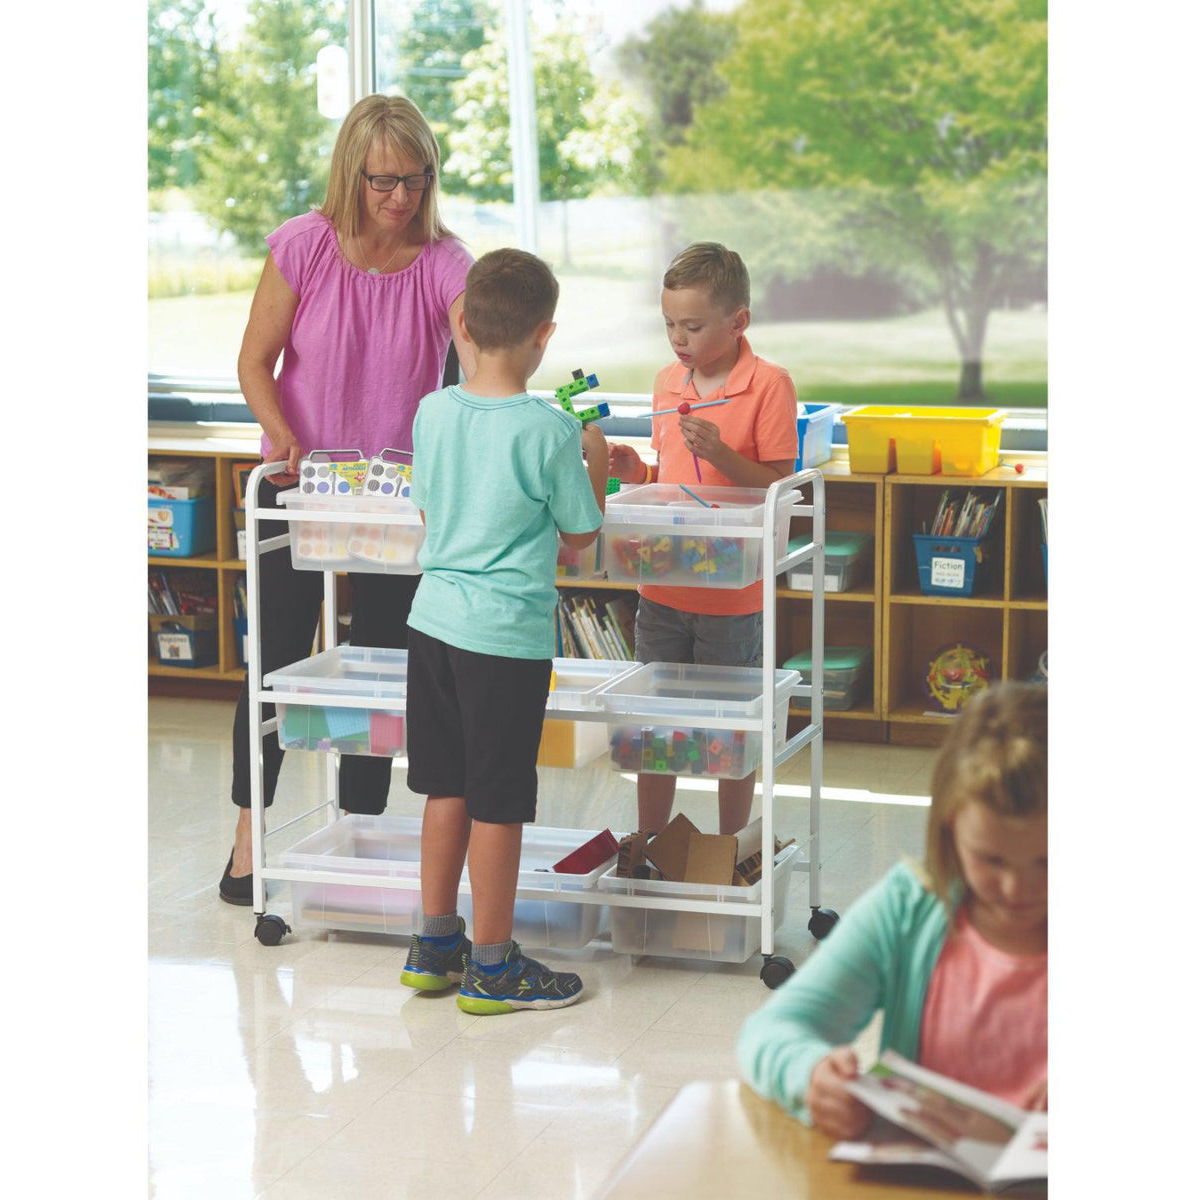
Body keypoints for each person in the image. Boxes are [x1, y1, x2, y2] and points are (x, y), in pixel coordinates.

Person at [219, 94, 477, 904]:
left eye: (416, 179)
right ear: (351, 174)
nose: (401, 198)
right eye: (382, 182)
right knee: (276, 663)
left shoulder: (445, 263)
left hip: (399, 501)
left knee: (383, 668)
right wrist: (280, 433)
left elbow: (479, 360)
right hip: (301, 489)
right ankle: (247, 841)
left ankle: (359, 833)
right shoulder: (303, 247)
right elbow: (256, 361)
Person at [398, 249, 608, 1013]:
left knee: (444, 786)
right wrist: (594, 458)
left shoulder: (432, 410)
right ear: (543, 336)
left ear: (461, 321)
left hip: (433, 625)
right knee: (500, 802)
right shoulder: (549, 429)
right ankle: (492, 966)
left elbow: (430, 513)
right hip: (504, 641)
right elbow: (580, 537)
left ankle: (435, 943)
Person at [737, 683, 1048, 1136]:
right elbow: (770, 1031)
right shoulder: (912, 906)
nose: (1017, 887)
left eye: (1047, 859)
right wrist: (813, 1077)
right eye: (991, 859)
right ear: (949, 832)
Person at [606, 242, 799, 836]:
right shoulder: (668, 381)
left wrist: (721, 452)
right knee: (653, 727)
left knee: (730, 732)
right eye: (669, 324)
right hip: (663, 584)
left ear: (737, 321)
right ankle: (648, 841)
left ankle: (727, 845)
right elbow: (670, 479)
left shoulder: (769, 385)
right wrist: (637, 471)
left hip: (731, 599)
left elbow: (778, 488)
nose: (678, 339)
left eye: (692, 325)